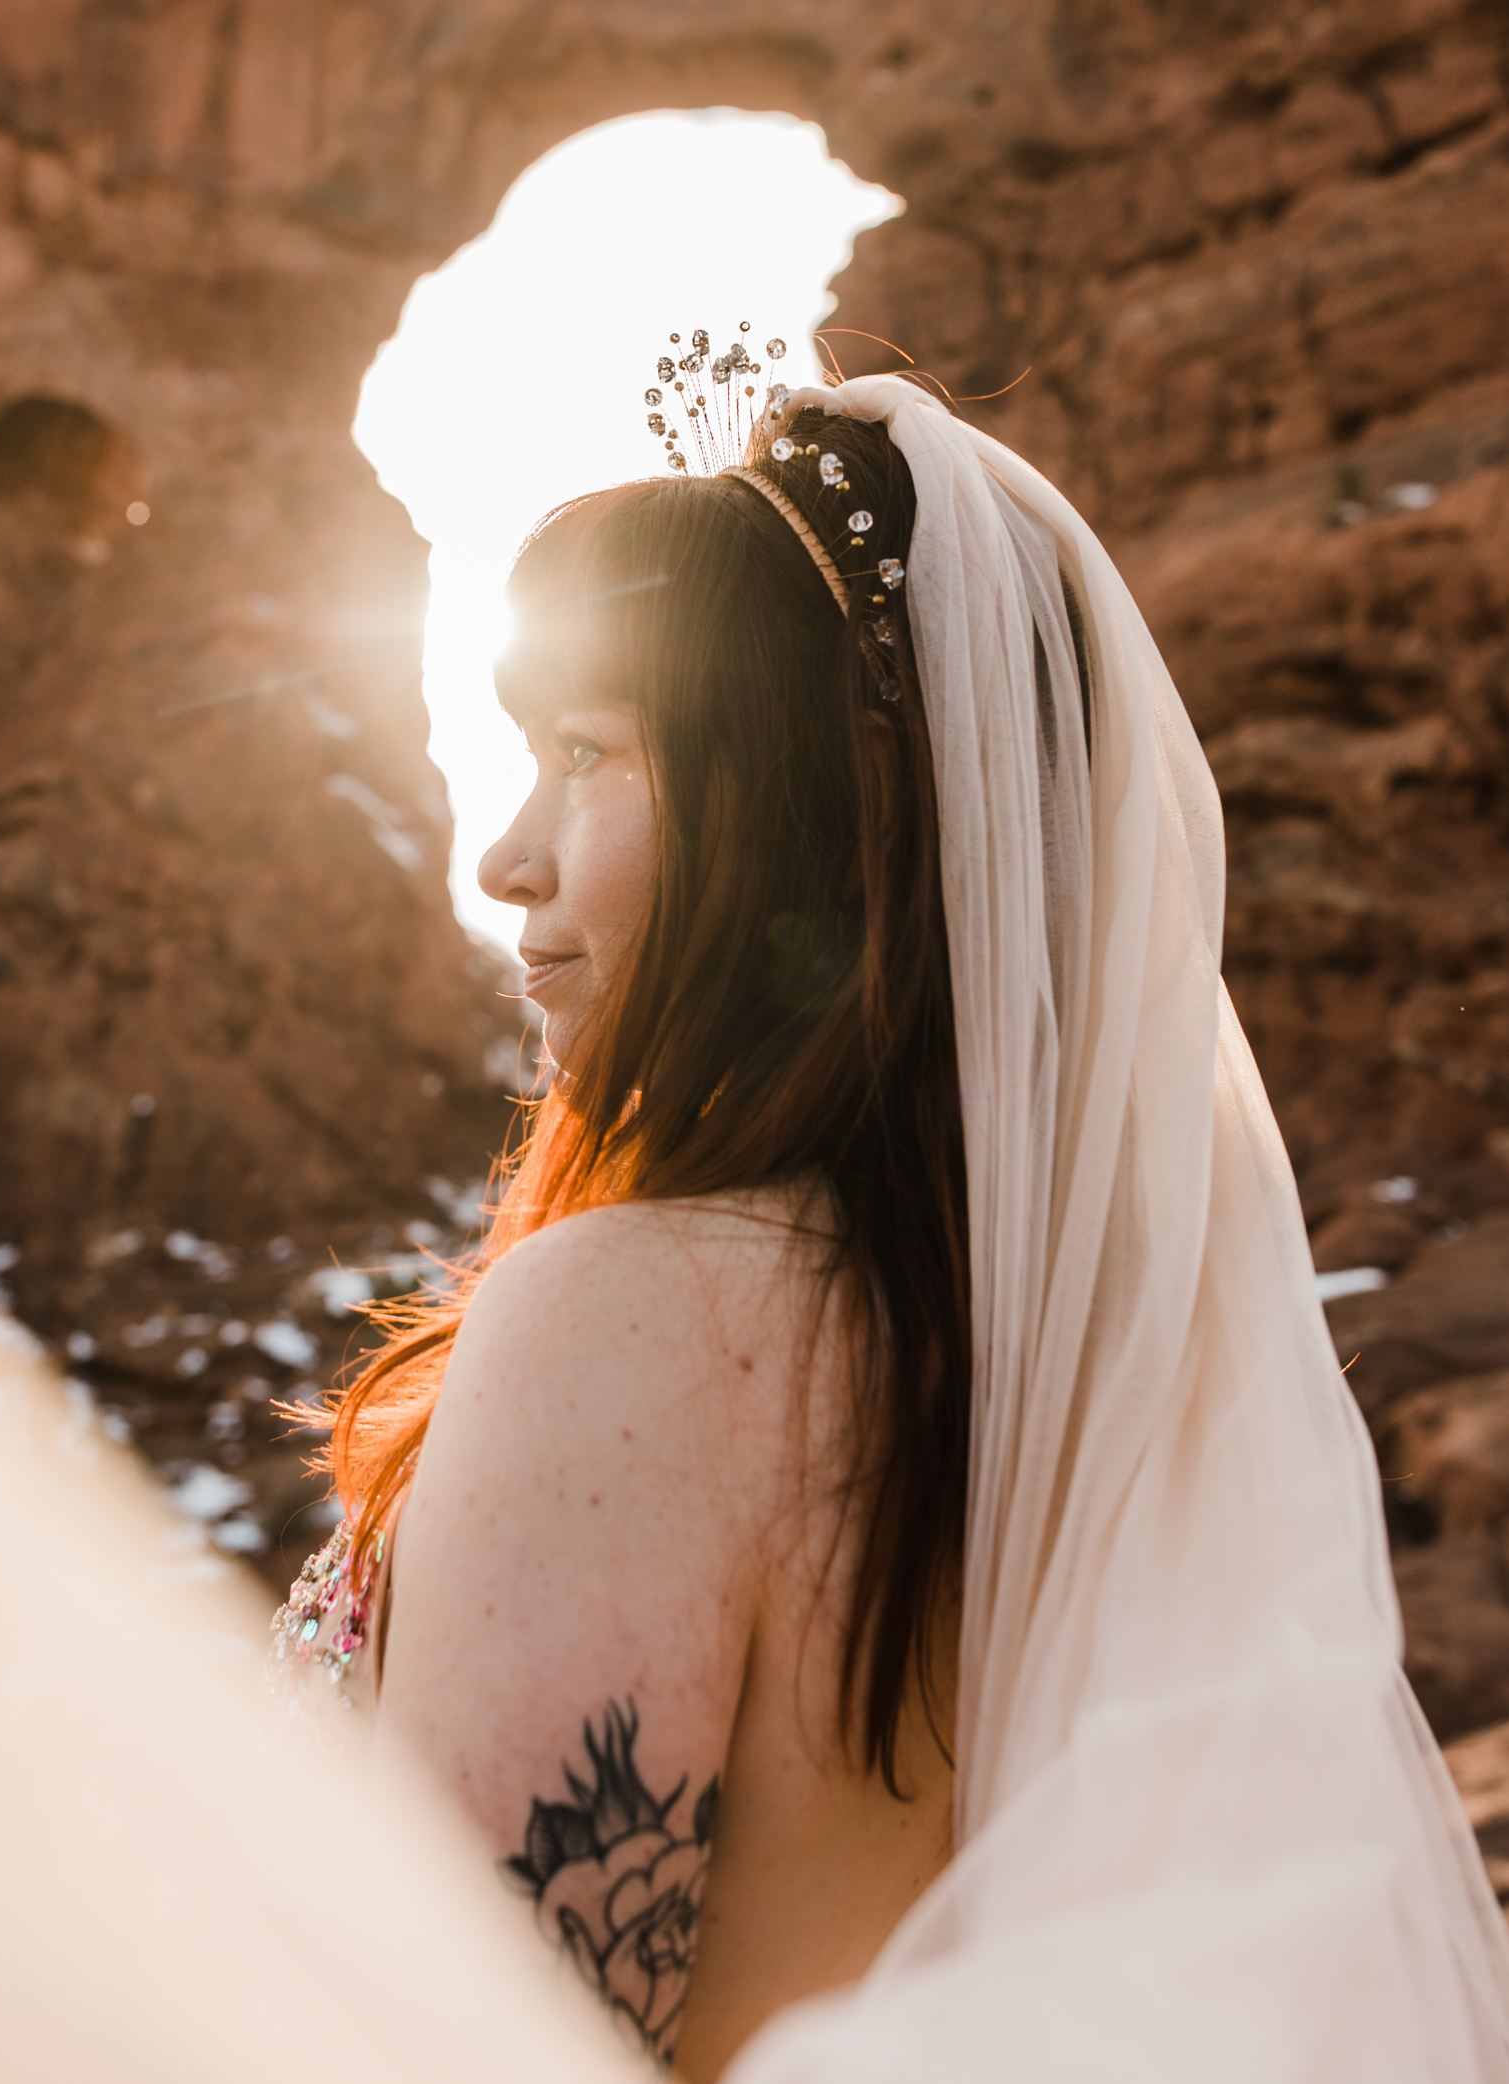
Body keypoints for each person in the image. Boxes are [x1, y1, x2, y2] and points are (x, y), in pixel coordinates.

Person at [273, 347, 1509, 2083]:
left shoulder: (633, 1317)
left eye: (586, 752)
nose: (511, 854)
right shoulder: (1061, 1361)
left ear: (786, 814)